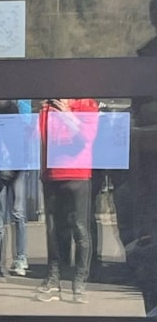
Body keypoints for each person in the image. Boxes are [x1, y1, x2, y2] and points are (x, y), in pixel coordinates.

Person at [36, 98, 98, 305]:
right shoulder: (48, 106)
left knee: (80, 229)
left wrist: (66, 114)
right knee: (54, 230)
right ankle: (54, 278)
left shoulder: (86, 104)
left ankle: (79, 282)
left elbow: (87, 137)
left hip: (78, 174)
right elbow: (39, 138)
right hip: (52, 174)